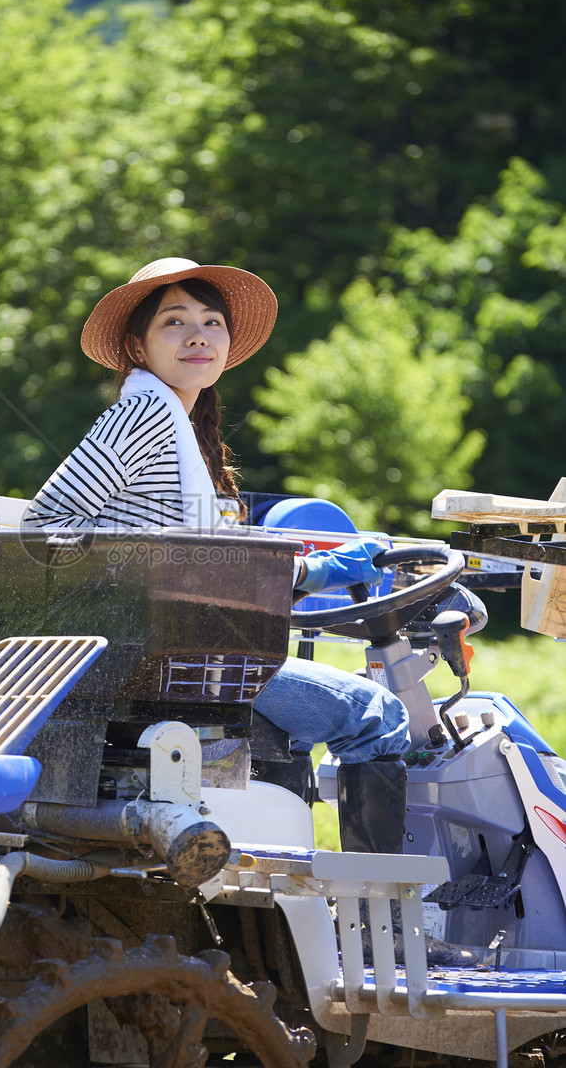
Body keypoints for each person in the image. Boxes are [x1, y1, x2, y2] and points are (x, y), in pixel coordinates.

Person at [25, 257, 410, 779]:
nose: (197, 336)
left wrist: (302, 568)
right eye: (174, 321)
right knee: (377, 713)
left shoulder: (178, 427)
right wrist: (130, 591)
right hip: (168, 657)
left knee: (302, 732)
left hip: (171, 649)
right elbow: (44, 524)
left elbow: (209, 554)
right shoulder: (144, 415)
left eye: (211, 322)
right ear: (138, 347)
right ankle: (381, 862)